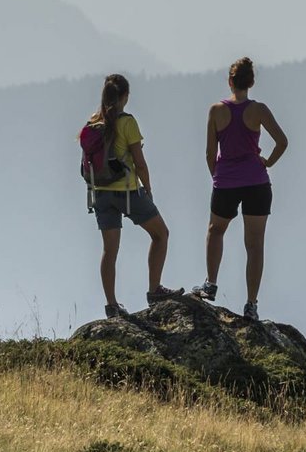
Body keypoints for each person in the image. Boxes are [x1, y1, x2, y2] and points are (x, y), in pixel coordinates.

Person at [194, 57, 287, 319]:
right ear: (252, 82)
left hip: (226, 182)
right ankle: (251, 304)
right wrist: (267, 162)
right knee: (255, 245)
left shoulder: (216, 110)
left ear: (230, 81)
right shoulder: (259, 110)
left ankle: (210, 284)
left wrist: (218, 177)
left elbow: (209, 153)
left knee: (215, 231)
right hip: (257, 181)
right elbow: (282, 141)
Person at [83, 73, 180, 316]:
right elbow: (140, 162)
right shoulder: (127, 123)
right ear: (125, 96)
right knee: (161, 234)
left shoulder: (92, 124)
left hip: (100, 193)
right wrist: (147, 188)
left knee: (110, 250)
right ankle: (154, 290)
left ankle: (112, 305)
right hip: (127, 192)